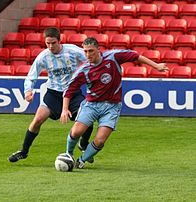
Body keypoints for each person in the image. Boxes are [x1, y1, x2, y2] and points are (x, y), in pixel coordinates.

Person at [60, 37, 169, 169]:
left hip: (112, 107)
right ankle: (68, 154)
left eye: (91, 51)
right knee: (77, 131)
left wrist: (156, 66)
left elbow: (135, 56)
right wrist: (65, 109)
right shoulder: (83, 70)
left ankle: (81, 161)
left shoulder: (113, 57)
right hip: (91, 105)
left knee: (100, 141)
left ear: (98, 50)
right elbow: (69, 89)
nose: (88, 55)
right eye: (85, 51)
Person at [8, 27, 93, 163]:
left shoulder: (73, 51)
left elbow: (91, 59)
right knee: (37, 120)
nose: (50, 46)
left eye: (53, 43)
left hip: (73, 93)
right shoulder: (43, 56)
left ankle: (83, 143)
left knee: (87, 121)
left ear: (60, 41)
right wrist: (28, 90)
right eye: (48, 43)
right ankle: (24, 151)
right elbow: (32, 74)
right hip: (53, 93)